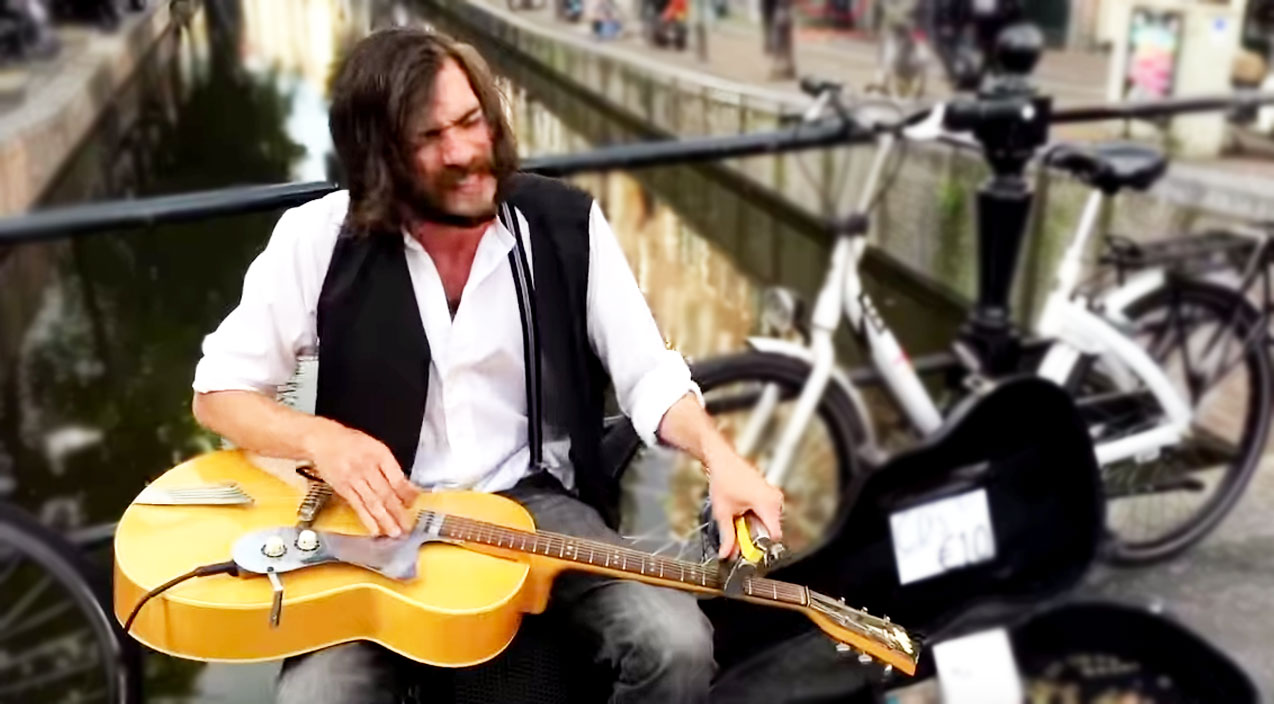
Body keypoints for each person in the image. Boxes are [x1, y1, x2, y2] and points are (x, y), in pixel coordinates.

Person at [188, 26, 784, 704]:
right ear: (380, 158)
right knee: (318, 698)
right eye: (430, 137)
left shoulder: (566, 226)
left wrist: (721, 456)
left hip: (534, 503)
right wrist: (322, 439)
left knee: (675, 647)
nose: (465, 151)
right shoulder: (317, 239)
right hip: (376, 513)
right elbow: (219, 392)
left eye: (471, 121)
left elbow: (648, 372)